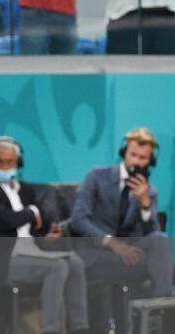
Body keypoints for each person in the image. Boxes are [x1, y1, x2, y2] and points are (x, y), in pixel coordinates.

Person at [0, 135, 89, 334]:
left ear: (18, 163)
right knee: (58, 266)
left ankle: (81, 332)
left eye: (10, 162)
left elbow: (37, 224)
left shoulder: (25, 190)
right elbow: (9, 219)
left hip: (32, 251)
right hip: (3, 260)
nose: (5, 166)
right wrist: (32, 212)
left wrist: (48, 230)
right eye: (0, 162)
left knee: (75, 262)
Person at [70, 126, 171, 298]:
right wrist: (112, 243)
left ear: (150, 161)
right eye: (133, 155)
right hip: (97, 253)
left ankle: (161, 306)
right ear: (124, 152)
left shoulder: (150, 191)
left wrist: (145, 205)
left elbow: (151, 233)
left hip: (129, 251)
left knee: (160, 240)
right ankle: (164, 303)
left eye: (143, 158)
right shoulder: (97, 177)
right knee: (157, 266)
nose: (136, 162)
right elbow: (78, 220)